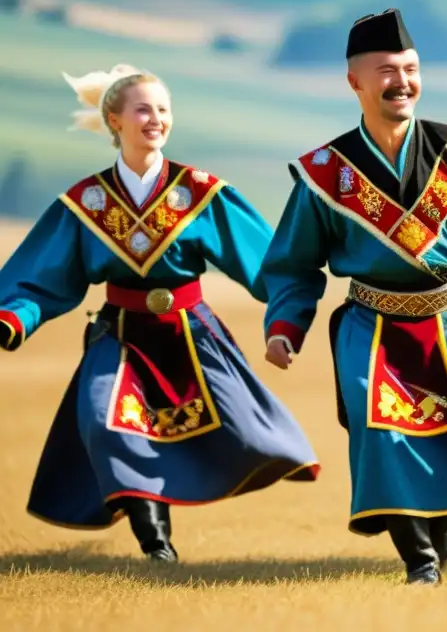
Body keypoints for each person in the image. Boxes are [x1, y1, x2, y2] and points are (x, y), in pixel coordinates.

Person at [258, 8, 447, 585]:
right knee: (385, 428)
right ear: (355, 82)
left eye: (411, 68)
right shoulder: (325, 174)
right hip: (371, 327)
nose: (402, 80)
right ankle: (418, 561)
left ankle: (446, 524)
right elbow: (294, 263)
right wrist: (284, 325)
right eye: (386, 70)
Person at [0, 65, 320, 562]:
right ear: (114, 120)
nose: (156, 119)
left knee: (242, 428)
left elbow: (267, 262)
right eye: (143, 109)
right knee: (109, 424)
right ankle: (157, 543)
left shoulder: (201, 193)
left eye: (164, 109)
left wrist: (285, 316)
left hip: (191, 334)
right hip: (119, 337)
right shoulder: (86, 202)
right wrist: (13, 314)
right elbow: (42, 274)